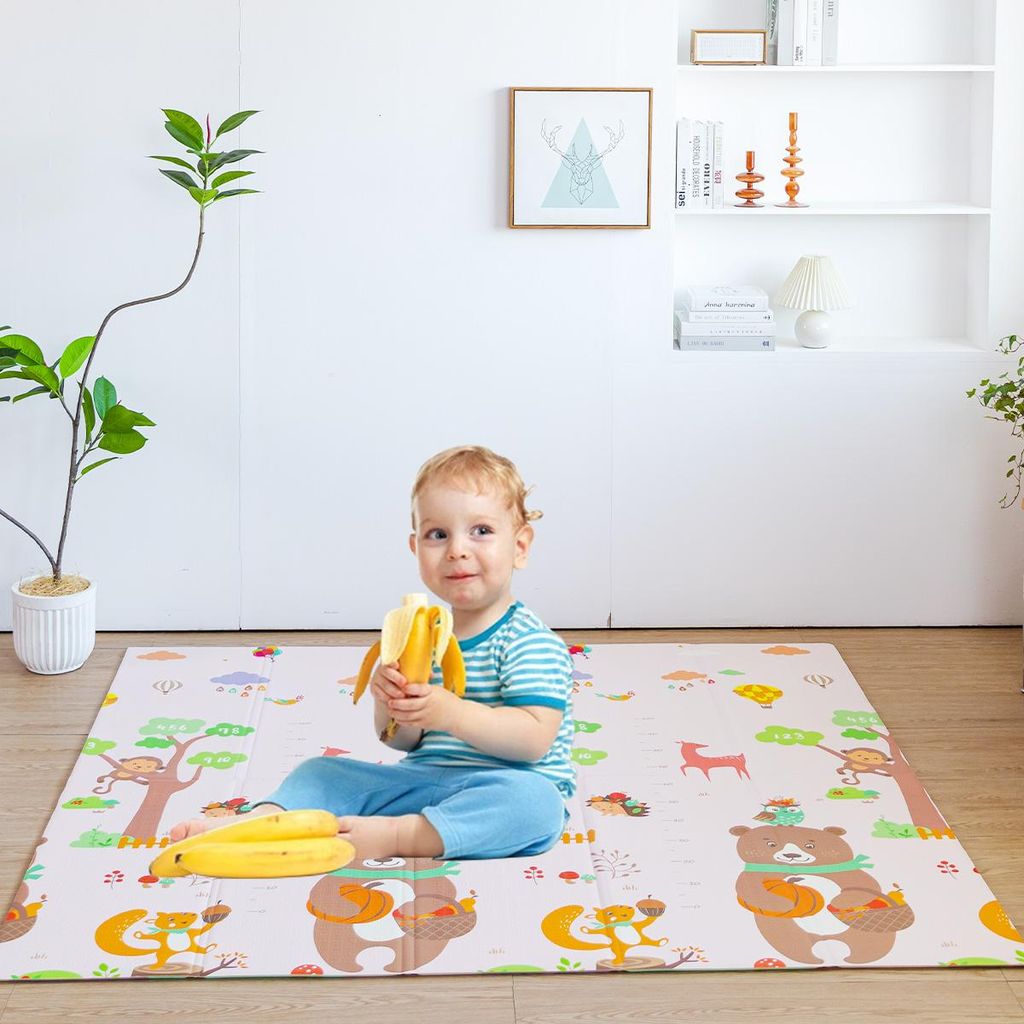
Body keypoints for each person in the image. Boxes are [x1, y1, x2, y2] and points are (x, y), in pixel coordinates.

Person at [169, 445, 575, 860]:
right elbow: (401, 743)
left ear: (521, 546)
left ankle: (399, 837)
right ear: (416, 548)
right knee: (321, 772)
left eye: (482, 531)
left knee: (535, 807)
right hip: (418, 783)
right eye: (438, 535)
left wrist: (452, 713)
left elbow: (534, 740)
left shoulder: (529, 641)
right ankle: (263, 824)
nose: (457, 549)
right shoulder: (422, 638)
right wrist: (392, 705)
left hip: (502, 787)